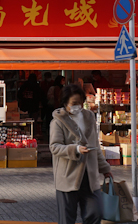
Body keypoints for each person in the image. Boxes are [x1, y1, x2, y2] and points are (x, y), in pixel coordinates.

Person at [50, 84, 112, 224]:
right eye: (74, 103)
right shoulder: (58, 122)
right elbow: (54, 147)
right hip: (68, 176)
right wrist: (76, 149)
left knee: (95, 213)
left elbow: (95, 145)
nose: (77, 106)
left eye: (80, 103)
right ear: (65, 103)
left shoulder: (88, 117)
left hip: (90, 176)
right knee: (67, 218)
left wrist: (105, 168)